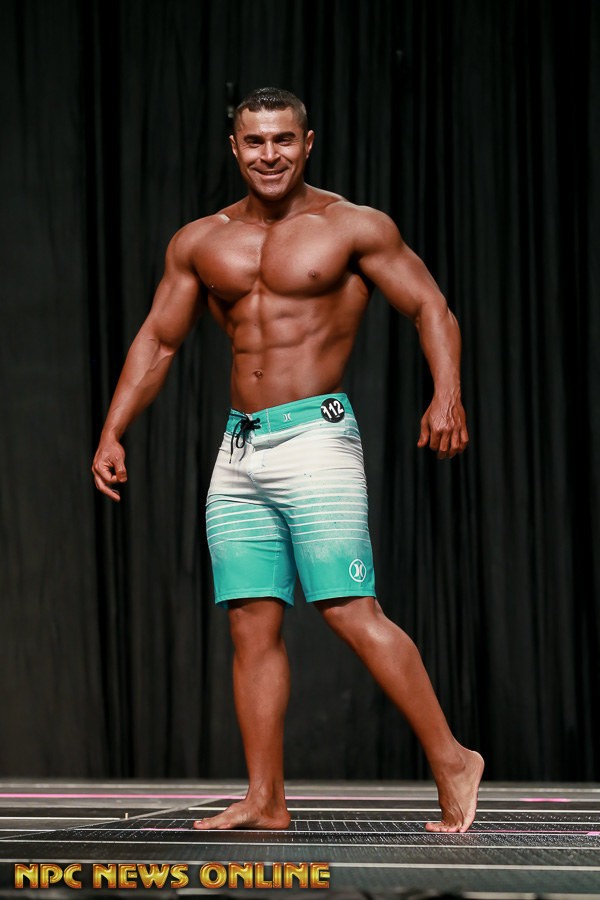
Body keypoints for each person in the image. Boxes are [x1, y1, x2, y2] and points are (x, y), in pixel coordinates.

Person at [92, 87, 484, 834]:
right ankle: (265, 799)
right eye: (254, 142)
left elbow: (430, 306)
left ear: (307, 143)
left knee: (349, 611)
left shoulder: (353, 226)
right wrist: (113, 431)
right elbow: (160, 340)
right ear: (234, 148)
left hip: (316, 438)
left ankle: (452, 759)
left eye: (282, 140)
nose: (268, 155)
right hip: (239, 449)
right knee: (250, 623)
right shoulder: (200, 241)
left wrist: (447, 394)